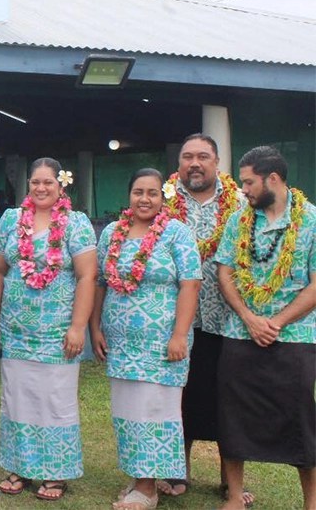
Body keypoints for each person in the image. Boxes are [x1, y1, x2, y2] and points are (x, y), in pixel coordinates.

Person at [0, 158, 97, 501]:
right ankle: (18, 466)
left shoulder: (75, 224)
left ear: (62, 186)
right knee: (17, 399)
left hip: (58, 332)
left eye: (48, 182)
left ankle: (55, 472)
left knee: (54, 400)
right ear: (28, 185)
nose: (41, 188)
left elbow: (87, 276)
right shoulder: (12, 220)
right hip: (17, 330)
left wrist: (78, 327)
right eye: (35, 182)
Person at [90, 168, 201, 510]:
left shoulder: (176, 233)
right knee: (127, 411)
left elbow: (191, 283)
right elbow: (99, 282)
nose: (144, 199)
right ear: (129, 195)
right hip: (121, 342)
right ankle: (140, 476)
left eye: (152, 193)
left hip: (162, 341)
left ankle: (147, 488)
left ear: (162, 197)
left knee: (154, 410)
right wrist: (95, 327)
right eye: (138, 192)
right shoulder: (112, 232)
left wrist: (180, 334)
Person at [213, 146, 315, 510]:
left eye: (249, 182)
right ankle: (236, 497)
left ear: (273, 178)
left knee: (299, 417)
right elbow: (224, 271)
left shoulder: (312, 221)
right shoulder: (239, 220)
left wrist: (276, 322)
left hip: (295, 336)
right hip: (240, 332)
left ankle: (311, 502)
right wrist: (249, 318)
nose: (244, 190)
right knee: (233, 413)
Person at [159, 133, 250, 504]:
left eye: (203, 157)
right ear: (179, 163)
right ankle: (176, 471)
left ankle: (231, 480)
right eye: (187, 157)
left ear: (217, 163)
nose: (194, 164)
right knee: (177, 396)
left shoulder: (242, 204)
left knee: (229, 400)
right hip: (175, 322)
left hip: (227, 321)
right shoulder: (159, 201)